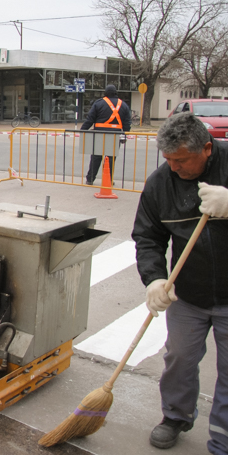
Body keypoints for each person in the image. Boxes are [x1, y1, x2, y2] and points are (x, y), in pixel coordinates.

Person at [131, 112, 228, 453]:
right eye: (168, 159)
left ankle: (223, 440)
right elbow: (147, 237)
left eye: (182, 160)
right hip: (189, 293)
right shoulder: (161, 183)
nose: (174, 167)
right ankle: (176, 415)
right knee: (179, 359)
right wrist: (155, 280)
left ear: (207, 148)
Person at [81, 84, 131, 185]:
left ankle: (90, 179)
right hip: (115, 135)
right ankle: (108, 180)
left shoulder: (99, 103)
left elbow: (90, 119)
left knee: (96, 157)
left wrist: (83, 130)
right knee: (111, 158)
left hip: (99, 134)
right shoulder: (123, 105)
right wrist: (123, 135)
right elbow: (127, 123)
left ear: (105, 93)